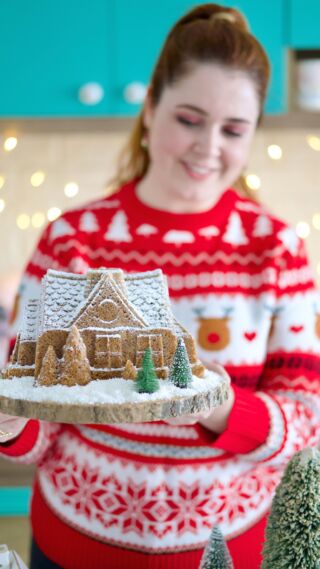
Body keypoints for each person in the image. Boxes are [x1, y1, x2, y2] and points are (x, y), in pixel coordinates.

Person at [1, 4, 319, 568]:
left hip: (229, 547)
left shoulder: (276, 249)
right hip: (76, 543)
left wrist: (215, 407)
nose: (208, 146)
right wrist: (10, 422)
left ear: (251, 135)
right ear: (150, 108)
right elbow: (37, 416)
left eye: (234, 129)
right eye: (189, 119)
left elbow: (306, 418)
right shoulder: (73, 239)